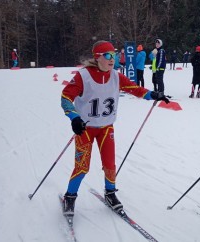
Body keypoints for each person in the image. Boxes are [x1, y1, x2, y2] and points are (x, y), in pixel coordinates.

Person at [60, 40, 169, 217]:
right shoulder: (83, 76)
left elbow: (135, 89)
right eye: (108, 56)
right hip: (85, 129)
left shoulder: (116, 76)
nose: (113, 59)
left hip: (106, 128)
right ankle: (70, 196)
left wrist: (153, 94)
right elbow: (66, 97)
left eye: (114, 55)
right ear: (97, 58)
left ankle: (110, 193)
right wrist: (74, 118)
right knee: (82, 167)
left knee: (110, 164)